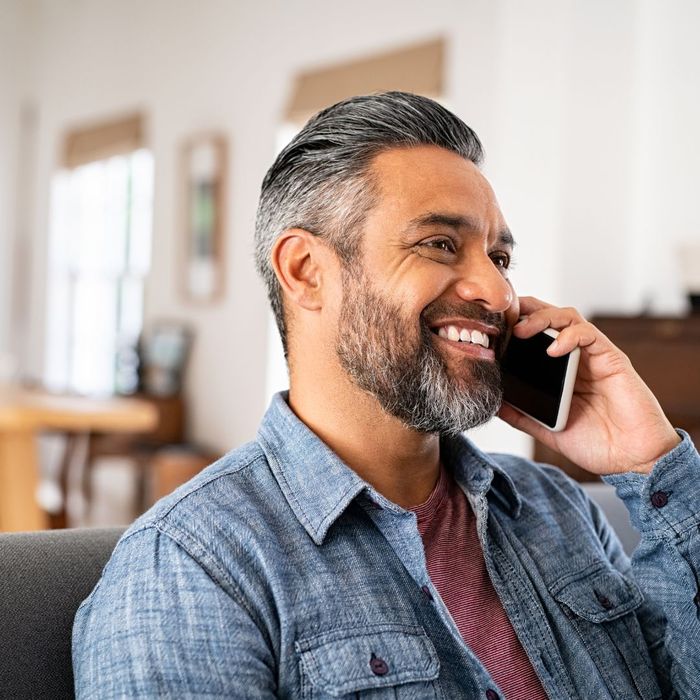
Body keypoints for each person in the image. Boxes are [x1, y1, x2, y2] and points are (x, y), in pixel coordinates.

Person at [73, 92, 700, 699]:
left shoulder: (560, 510)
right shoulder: (191, 568)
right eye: (439, 244)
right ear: (306, 271)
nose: (497, 291)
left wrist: (651, 461)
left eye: (500, 258)